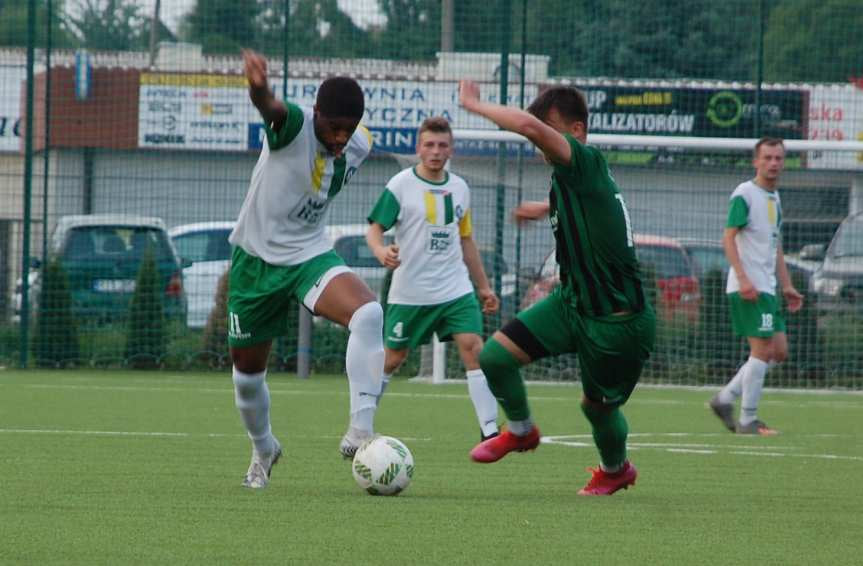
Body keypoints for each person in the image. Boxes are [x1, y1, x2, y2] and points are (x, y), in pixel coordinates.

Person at [458, 81, 656, 496]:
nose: (539, 139)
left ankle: (616, 469)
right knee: (493, 357)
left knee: (597, 409)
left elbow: (529, 127)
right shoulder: (570, 180)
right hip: (571, 305)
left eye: (550, 129)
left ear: (578, 131)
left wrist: (473, 105)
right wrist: (542, 207)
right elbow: (594, 207)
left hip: (615, 323)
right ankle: (522, 430)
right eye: (542, 131)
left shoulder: (586, 162)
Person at [228, 49, 385, 489]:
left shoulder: (360, 144)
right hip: (256, 261)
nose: (339, 138)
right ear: (316, 113)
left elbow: (345, 144)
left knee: (369, 313)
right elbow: (271, 108)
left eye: (347, 129)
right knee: (246, 376)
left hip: (309, 255)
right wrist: (259, 88)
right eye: (332, 127)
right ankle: (264, 448)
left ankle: (361, 432)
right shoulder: (293, 126)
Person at [366, 116, 500, 441]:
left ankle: (490, 431)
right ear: (418, 148)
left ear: (451, 149)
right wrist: (380, 251)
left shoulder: (461, 188)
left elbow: (466, 240)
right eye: (429, 145)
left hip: (454, 288)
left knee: (474, 348)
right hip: (410, 291)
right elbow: (374, 229)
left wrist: (483, 287)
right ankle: (361, 425)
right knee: (393, 358)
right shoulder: (400, 185)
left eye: (442, 145)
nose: (436, 151)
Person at [709, 138, 803, 436]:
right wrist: (744, 278)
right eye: (768, 158)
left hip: (769, 287)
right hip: (749, 286)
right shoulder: (745, 194)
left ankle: (724, 399)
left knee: (779, 351)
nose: (774, 163)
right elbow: (728, 238)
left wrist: (787, 285)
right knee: (762, 349)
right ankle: (748, 420)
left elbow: (774, 246)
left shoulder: (775, 198)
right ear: (756, 161)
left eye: (778, 158)